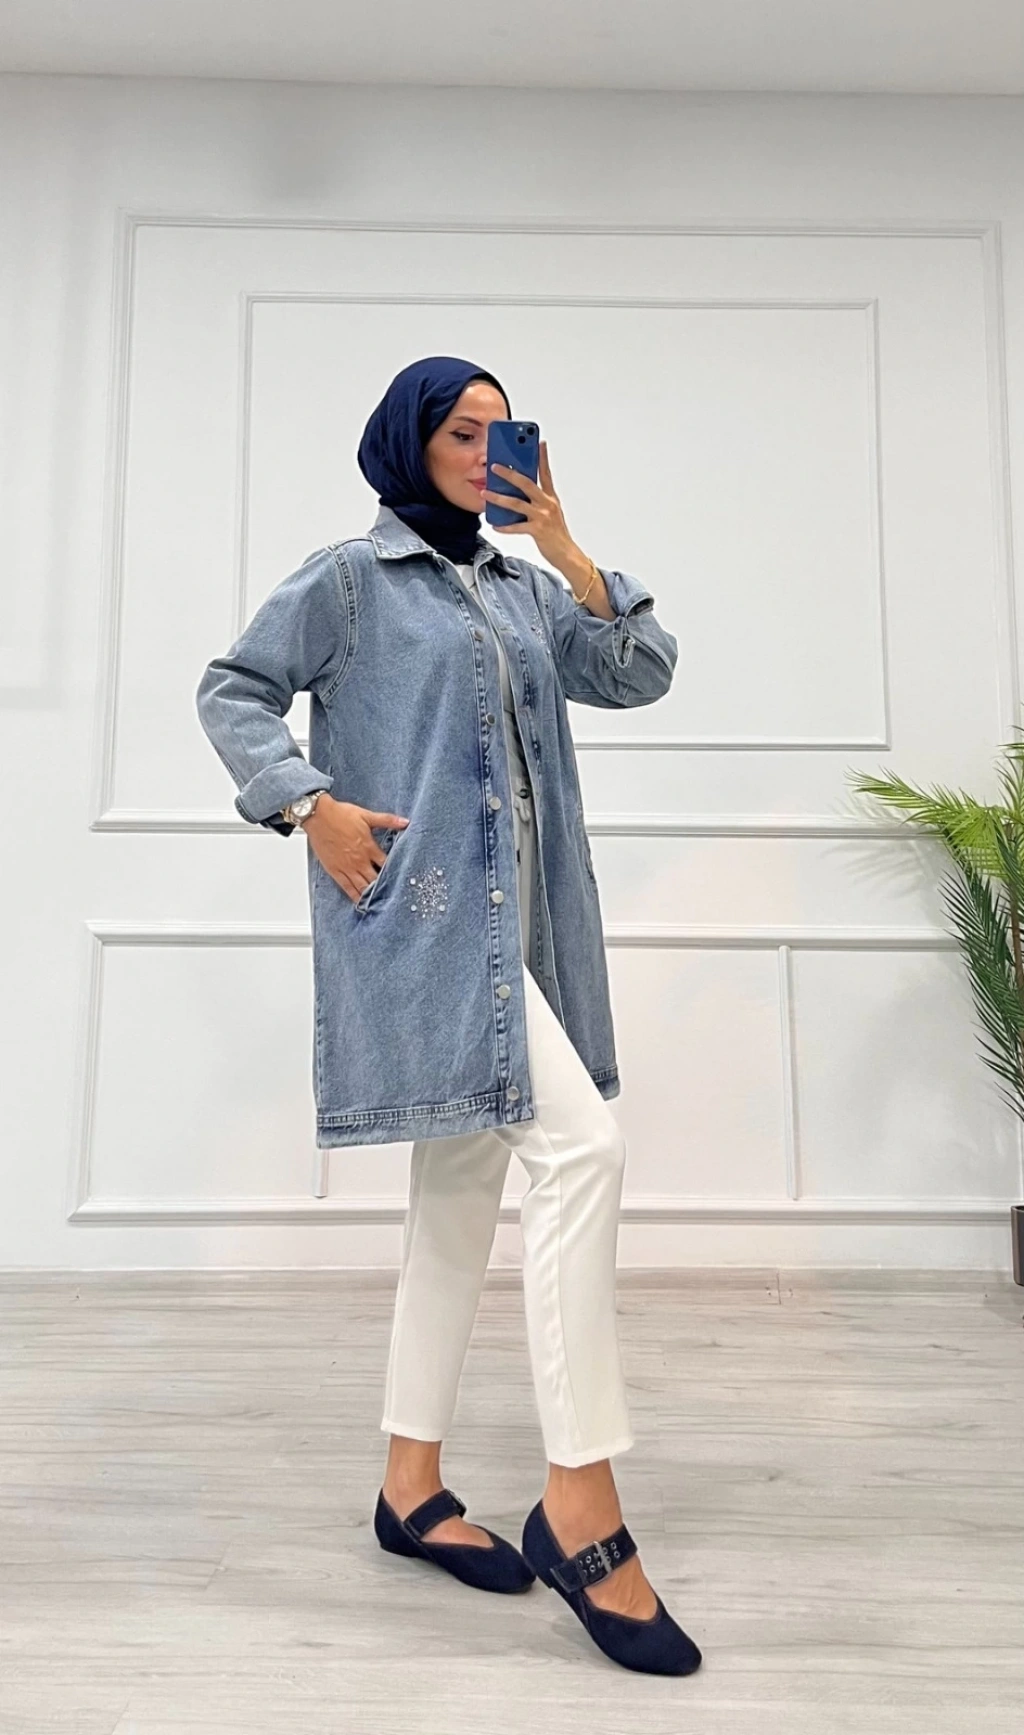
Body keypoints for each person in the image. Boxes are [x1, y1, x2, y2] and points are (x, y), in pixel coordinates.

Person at [195, 356, 700, 1676]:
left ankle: (409, 1487)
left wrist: (567, 546)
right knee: (583, 1154)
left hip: (526, 935)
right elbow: (232, 688)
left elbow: (642, 669)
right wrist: (309, 806)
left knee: (461, 1199)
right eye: (462, 432)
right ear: (408, 443)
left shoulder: (524, 590)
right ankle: (580, 1501)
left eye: (501, 430)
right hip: (427, 932)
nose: (486, 451)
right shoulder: (350, 582)